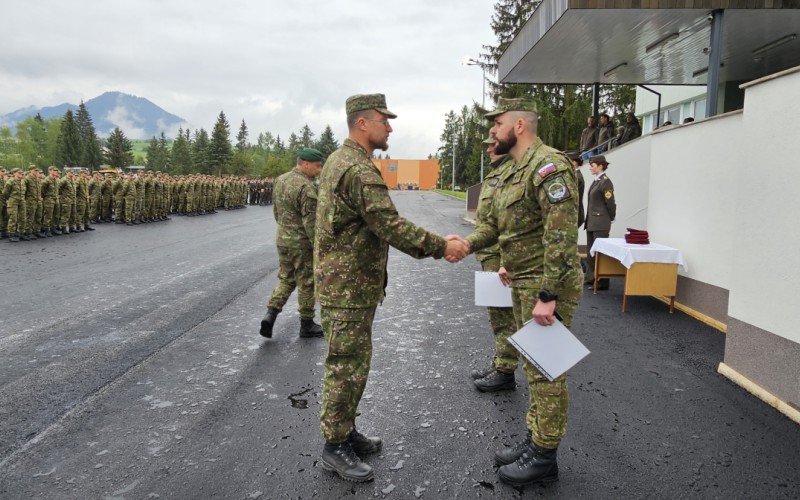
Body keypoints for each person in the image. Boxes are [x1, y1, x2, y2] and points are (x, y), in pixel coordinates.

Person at [314, 93, 468, 482]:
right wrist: (442, 246)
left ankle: (345, 432)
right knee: (347, 366)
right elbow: (390, 225)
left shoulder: (338, 159)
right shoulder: (359, 170)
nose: (391, 127)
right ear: (363, 123)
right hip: (347, 289)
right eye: (385, 120)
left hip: (344, 285)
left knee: (351, 364)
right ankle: (335, 446)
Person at [464, 97, 583, 486]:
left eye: (496, 124)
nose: (491, 132)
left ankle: (545, 456)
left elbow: (562, 236)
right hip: (521, 281)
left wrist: (549, 294)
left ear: (518, 125)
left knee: (547, 369)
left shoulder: (548, 167)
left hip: (545, 284)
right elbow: (505, 229)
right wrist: (465, 246)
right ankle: (535, 440)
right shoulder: (517, 171)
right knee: (534, 368)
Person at [260, 148, 326, 339]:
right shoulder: (306, 187)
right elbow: (311, 222)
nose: (319, 169)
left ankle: (271, 314)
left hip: (282, 238)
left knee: (286, 278)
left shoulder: (281, 179)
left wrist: (285, 229)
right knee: (307, 281)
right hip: (301, 242)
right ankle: (306, 324)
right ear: (305, 163)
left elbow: (276, 212)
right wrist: (318, 246)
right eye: (317, 166)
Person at [471, 137, 519, 393]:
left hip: (504, 258)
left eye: (493, 144)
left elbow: (513, 222)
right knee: (499, 316)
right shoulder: (498, 173)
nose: (488, 148)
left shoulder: (514, 174)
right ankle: (502, 364)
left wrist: (506, 260)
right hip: (491, 256)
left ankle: (506, 371)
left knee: (508, 316)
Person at [584, 155, 616, 290]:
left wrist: (611, 217)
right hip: (592, 221)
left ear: (601, 166)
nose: (590, 167)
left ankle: (602, 282)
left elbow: (610, 202)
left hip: (601, 222)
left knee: (600, 253)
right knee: (591, 252)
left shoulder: (605, 182)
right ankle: (592, 278)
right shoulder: (596, 181)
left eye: (593, 165)